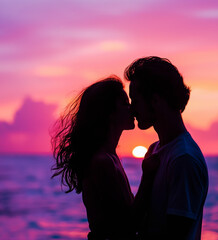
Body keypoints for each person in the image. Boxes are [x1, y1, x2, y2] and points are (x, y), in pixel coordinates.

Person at [51, 76, 158, 240]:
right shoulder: (102, 162)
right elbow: (128, 224)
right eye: (124, 103)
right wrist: (148, 176)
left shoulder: (110, 157)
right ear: (108, 113)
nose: (132, 109)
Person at [125, 56, 209, 240]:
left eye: (135, 101)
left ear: (155, 101)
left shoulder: (183, 159)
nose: (131, 109)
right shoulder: (155, 150)